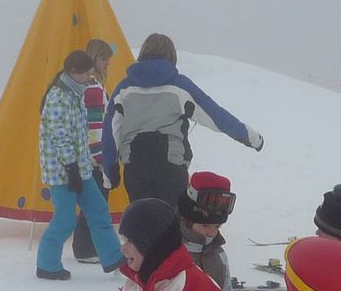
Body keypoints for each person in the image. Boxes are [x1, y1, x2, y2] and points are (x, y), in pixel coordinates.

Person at [101, 33, 264, 208]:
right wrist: (251, 138)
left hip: (136, 167)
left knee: (142, 224)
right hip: (170, 166)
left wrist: (109, 172)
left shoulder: (124, 88)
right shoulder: (179, 86)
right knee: (170, 225)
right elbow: (215, 115)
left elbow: (111, 131)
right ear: (171, 56)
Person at [36, 51, 125, 280]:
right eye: (86, 74)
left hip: (82, 168)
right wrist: (71, 168)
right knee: (65, 220)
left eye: (90, 73)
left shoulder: (76, 93)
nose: (89, 77)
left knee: (98, 211)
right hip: (62, 172)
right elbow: (60, 136)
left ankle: (114, 256)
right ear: (72, 72)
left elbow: (79, 133)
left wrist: (82, 165)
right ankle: (47, 264)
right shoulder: (57, 98)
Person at [72, 38, 115, 264]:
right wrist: (100, 157)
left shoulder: (86, 86)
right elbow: (95, 126)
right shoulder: (94, 88)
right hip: (94, 157)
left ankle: (86, 247)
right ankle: (85, 248)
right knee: (96, 202)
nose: (107, 63)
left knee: (92, 202)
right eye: (103, 58)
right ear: (93, 59)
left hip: (86, 155)